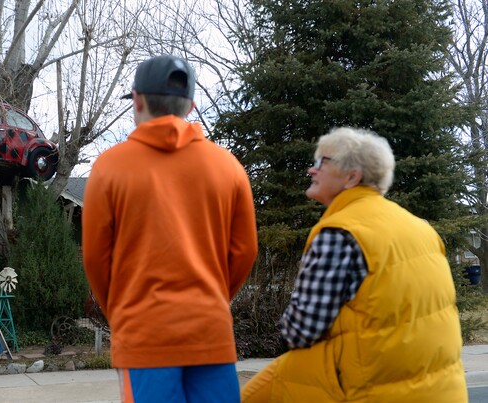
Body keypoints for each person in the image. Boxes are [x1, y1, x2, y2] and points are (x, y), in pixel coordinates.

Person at [240, 127, 467, 402]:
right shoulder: (420, 228)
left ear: (352, 177)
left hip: (368, 390)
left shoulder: (339, 233)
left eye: (322, 161)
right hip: (443, 391)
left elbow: (301, 331)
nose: (312, 170)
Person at [82, 55, 258, 402]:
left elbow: (95, 259)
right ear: (190, 105)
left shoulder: (110, 167)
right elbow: (245, 251)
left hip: (145, 334)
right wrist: (213, 299)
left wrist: (121, 312)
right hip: (210, 331)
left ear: (139, 100)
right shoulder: (228, 166)